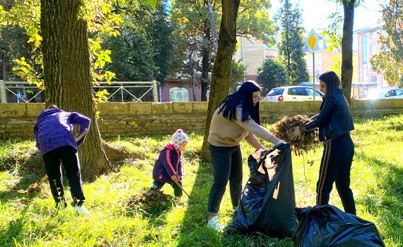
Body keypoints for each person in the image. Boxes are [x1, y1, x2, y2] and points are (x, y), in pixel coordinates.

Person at [207, 81, 285, 230]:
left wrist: (263, 150)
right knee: (221, 181)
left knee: (237, 179)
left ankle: (238, 210)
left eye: (258, 97)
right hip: (219, 147)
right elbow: (255, 128)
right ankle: (211, 218)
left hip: (233, 145)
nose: (257, 101)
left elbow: (248, 134)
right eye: (254, 97)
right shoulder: (235, 108)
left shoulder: (243, 107)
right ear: (246, 95)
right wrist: (278, 142)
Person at [299, 71, 356, 215]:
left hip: (335, 144)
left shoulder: (331, 99)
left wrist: (302, 128)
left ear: (330, 85)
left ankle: (318, 220)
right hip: (347, 144)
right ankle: (353, 218)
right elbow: (323, 114)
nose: (321, 89)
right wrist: (308, 121)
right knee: (343, 186)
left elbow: (322, 118)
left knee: (323, 185)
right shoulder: (339, 96)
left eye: (323, 86)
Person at [33, 105, 91, 214]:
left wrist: (48, 153)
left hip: (46, 145)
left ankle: (60, 205)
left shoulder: (39, 122)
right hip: (65, 142)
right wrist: (78, 141)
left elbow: (38, 143)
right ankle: (78, 205)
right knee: (73, 173)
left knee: (54, 177)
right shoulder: (65, 114)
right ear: (57, 109)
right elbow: (86, 120)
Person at [150, 129, 189, 198]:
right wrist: (172, 174)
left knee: (178, 183)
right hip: (162, 172)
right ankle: (150, 194)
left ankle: (178, 197)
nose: (183, 148)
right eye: (183, 145)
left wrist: (178, 174)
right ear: (177, 143)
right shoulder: (167, 151)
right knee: (158, 183)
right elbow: (167, 163)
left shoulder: (178, 152)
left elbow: (179, 163)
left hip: (172, 172)